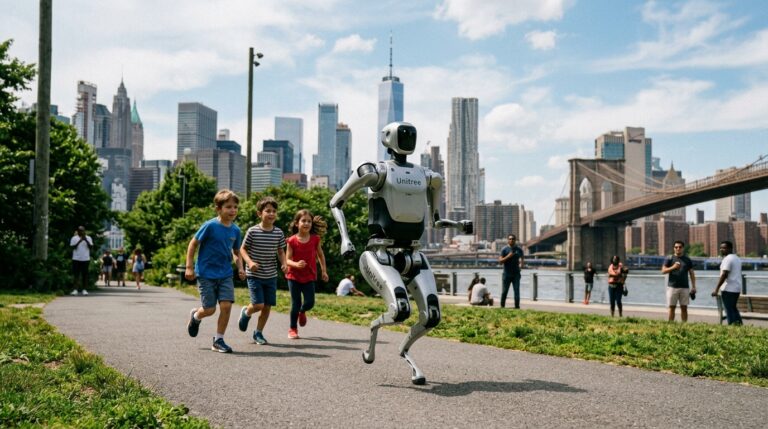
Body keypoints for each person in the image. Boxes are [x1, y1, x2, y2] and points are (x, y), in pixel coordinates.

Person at [185, 189, 246, 353]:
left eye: (235, 207)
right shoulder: (210, 226)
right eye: (228, 207)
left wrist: (240, 268)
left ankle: (218, 340)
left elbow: (236, 252)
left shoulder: (236, 230)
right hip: (206, 273)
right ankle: (196, 316)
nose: (233, 210)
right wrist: (189, 266)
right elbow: (193, 244)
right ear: (219, 209)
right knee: (210, 309)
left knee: (226, 306)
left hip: (225, 273)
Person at [237, 196, 287, 345]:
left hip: (270, 275)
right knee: (258, 305)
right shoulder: (253, 231)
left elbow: (280, 251)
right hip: (254, 274)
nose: (271, 214)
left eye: (274, 211)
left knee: (267, 306)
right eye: (268, 211)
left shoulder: (278, 232)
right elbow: (242, 249)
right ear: (260, 214)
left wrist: (284, 263)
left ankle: (258, 333)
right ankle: (247, 312)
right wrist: (250, 262)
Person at [284, 209, 329, 339]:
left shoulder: (315, 239)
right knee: (295, 303)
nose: (307, 223)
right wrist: (296, 264)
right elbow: (287, 260)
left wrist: (324, 271)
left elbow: (320, 255)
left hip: (309, 275)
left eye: (309, 221)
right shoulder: (291, 241)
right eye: (303, 221)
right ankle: (293, 329)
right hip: (294, 276)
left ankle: (302, 311)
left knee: (310, 302)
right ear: (297, 223)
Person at [661, 240, 697, 323]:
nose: (678, 249)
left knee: (684, 307)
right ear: (674, 248)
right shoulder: (669, 258)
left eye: (680, 247)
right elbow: (663, 271)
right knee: (671, 307)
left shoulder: (687, 259)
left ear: (683, 248)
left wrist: (694, 286)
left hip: (684, 287)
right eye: (676, 247)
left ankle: (684, 325)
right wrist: (673, 267)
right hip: (672, 287)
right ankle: (670, 325)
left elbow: (691, 273)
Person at [712, 240, 743, 325]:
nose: (721, 249)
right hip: (736, 288)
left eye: (724, 248)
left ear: (730, 249)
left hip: (728, 288)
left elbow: (724, 274)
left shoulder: (727, 259)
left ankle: (732, 326)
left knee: (728, 309)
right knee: (733, 308)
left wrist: (716, 289)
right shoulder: (737, 258)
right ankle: (739, 325)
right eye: (721, 248)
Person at [498, 234, 524, 309]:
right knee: (504, 291)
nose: (511, 240)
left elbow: (522, 258)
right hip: (506, 274)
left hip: (516, 274)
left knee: (517, 291)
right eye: (510, 239)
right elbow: (500, 261)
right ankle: (502, 307)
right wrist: (508, 256)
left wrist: (521, 266)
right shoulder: (504, 249)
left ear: (515, 240)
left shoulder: (519, 250)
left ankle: (517, 307)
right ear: (508, 240)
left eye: (513, 239)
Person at [70, 226, 93, 296]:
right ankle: (75, 290)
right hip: (76, 258)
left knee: (85, 275)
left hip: (85, 259)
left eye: (83, 231)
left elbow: (91, 247)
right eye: (80, 231)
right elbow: (72, 247)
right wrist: (79, 241)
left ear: (84, 231)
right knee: (76, 274)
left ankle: (84, 290)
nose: (82, 232)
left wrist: (85, 240)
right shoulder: (74, 238)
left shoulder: (88, 238)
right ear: (78, 231)